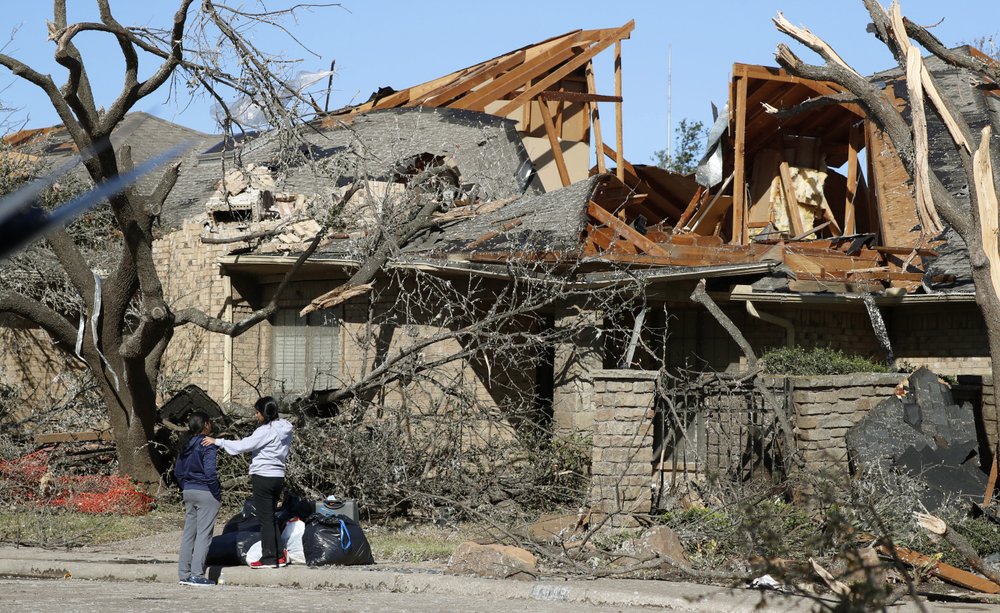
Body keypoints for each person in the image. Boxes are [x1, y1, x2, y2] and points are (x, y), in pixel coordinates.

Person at [203, 396, 293, 569]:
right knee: (271, 516)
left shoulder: (265, 431)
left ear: (264, 414)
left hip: (263, 476)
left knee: (265, 518)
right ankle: (279, 555)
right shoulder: (285, 428)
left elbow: (244, 445)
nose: (256, 415)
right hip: (278, 476)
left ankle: (269, 558)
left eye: (257, 412)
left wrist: (218, 442)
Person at [175, 410, 222, 586]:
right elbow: (210, 472)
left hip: (189, 491)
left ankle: (184, 574)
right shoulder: (207, 445)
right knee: (204, 535)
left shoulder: (184, 444)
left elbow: (177, 471)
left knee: (189, 534)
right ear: (206, 425)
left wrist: (186, 487)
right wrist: (216, 492)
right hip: (206, 492)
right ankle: (197, 574)